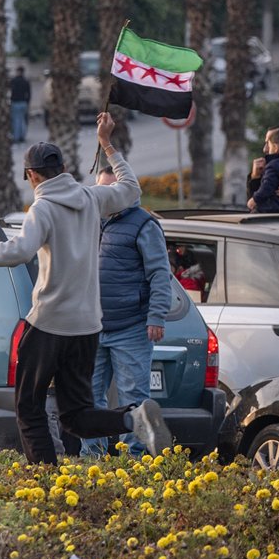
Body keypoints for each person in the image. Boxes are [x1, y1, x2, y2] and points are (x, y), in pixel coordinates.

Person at [0, 115, 171, 465]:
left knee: (28, 407)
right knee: (76, 414)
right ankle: (131, 419)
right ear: (64, 168)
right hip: (87, 329)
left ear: (32, 175)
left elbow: (17, 252)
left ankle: (44, 478)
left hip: (48, 325)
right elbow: (132, 190)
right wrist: (107, 144)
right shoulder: (90, 198)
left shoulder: (42, 208)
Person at [81, 168, 174, 457]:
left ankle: (134, 461)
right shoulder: (93, 221)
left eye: (110, 190)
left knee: (134, 400)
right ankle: (91, 459)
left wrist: (156, 316)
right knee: (88, 398)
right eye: (100, 191)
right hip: (92, 328)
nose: (104, 197)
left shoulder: (144, 225)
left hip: (131, 328)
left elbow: (160, 274)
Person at [10, 66, 31, 144]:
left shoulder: (13, 81)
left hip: (15, 102)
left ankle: (16, 137)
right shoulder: (26, 81)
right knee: (22, 120)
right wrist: (28, 103)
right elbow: (29, 93)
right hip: (23, 103)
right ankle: (22, 136)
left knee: (16, 120)